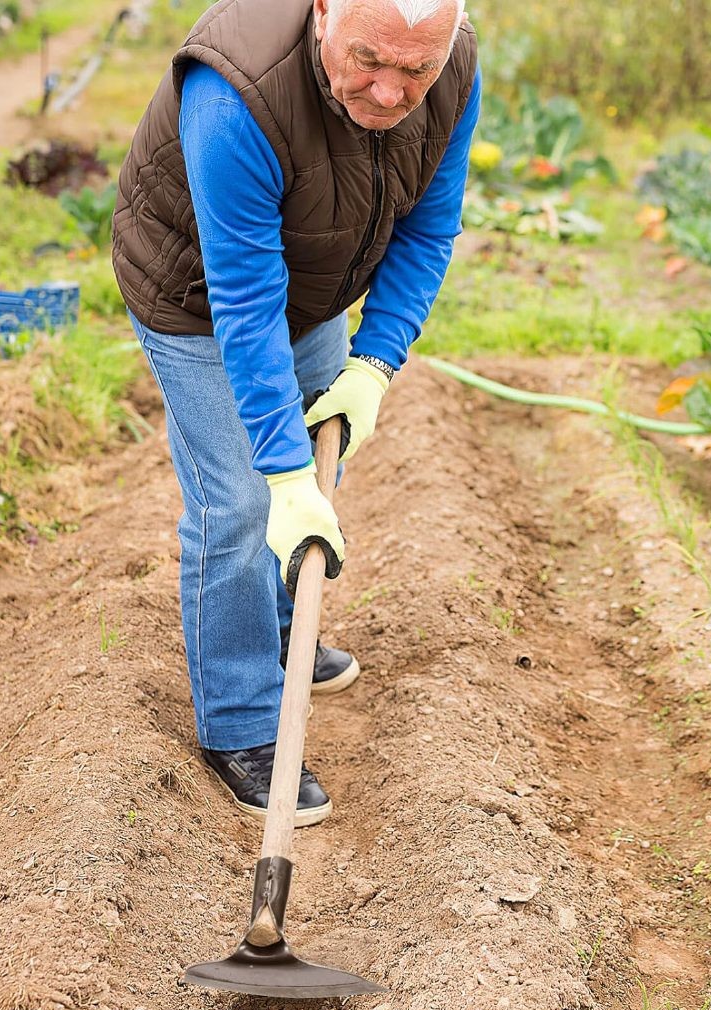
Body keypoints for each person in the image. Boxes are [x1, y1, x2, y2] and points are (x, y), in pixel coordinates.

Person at [112, 0, 481, 826]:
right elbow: (244, 301)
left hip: (316, 287)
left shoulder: (452, 65)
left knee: (317, 463)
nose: (389, 92)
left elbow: (430, 226)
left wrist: (377, 361)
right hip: (198, 295)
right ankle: (240, 719)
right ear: (322, 13)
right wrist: (276, 467)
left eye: (414, 70)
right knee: (245, 502)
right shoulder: (235, 92)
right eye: (369, 60)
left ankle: (282, 633)